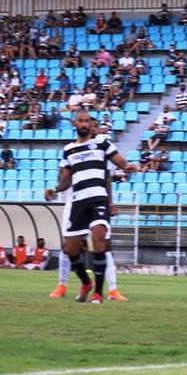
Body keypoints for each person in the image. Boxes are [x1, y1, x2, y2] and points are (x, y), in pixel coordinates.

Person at [47, 110, 135, 304]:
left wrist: (127, 166)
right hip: (78, 201)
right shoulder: (68, 150)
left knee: (99, 238)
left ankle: (99, 293)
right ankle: (86, 283)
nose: (85, 123)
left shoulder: (101, 143)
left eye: (87, 121)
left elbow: (118, 161)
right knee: (71, 249)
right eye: (81, 121)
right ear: (75, 124)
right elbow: (65, 181)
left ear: (91, 124)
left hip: (98, 199)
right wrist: (54, 189)